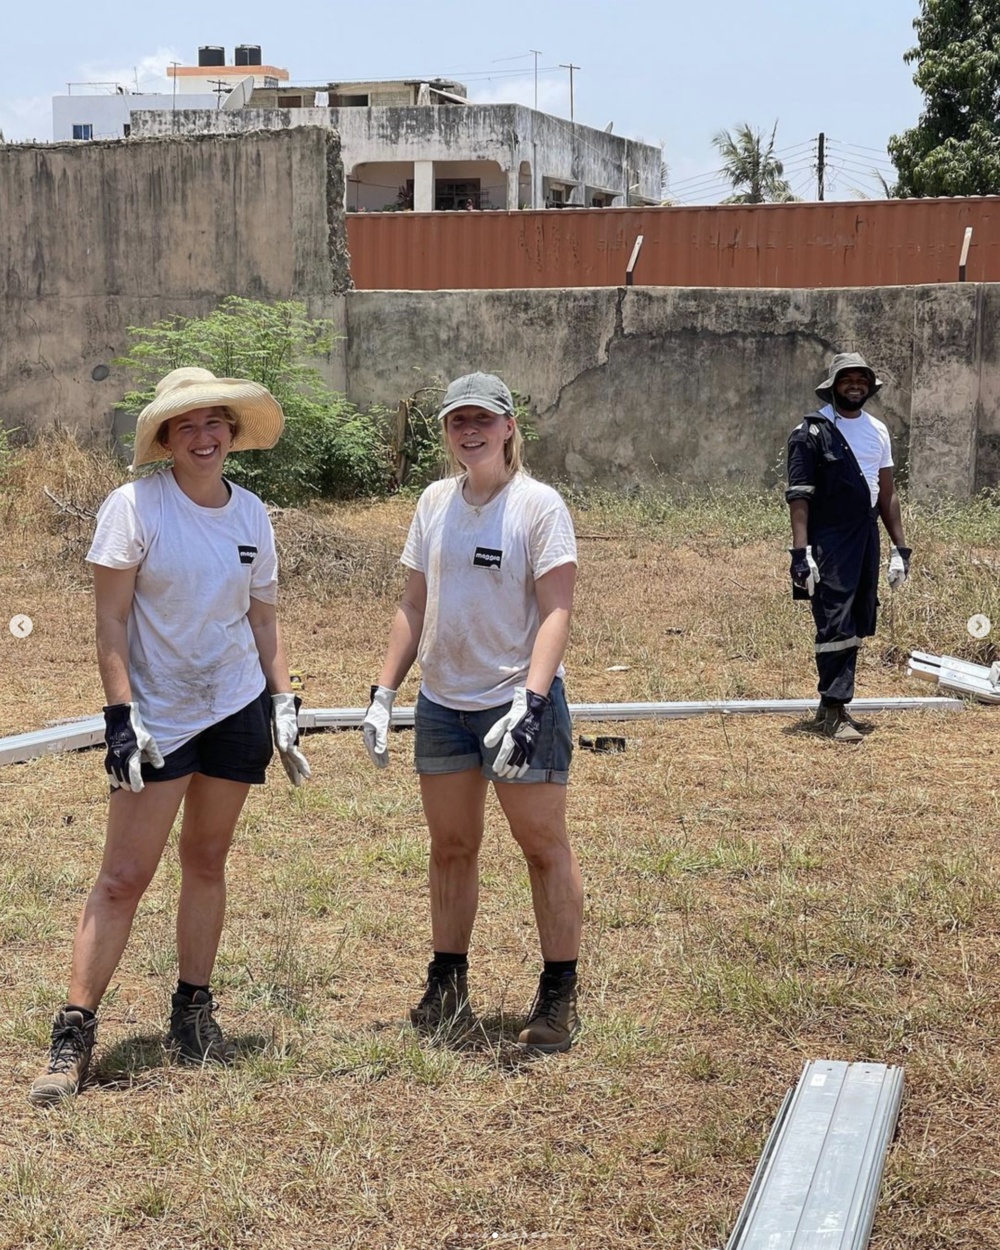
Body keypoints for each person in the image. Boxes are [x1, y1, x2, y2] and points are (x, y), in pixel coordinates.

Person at [29, 367, 310, 1106]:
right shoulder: (134, 508)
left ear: (232, 432)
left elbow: (264, 620)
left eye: (214, 422)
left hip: (234, 708)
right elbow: (112, 622)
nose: (203, 436)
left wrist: (282, 703)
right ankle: (73, 1035)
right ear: (164, 439)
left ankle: (193, 1012)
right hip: (157, 723)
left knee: (207, 860)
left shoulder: (251, 514)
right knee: (123, 877)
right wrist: (119, 716)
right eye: (185, 425)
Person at [361, 372, 582, 1052]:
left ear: (510, 426)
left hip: (517, 702)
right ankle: (448, 978)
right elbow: (413, 603)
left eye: (483, 419)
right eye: (458, 421)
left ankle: (558, 992)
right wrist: (384, 693)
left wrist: (533, 700)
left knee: (542, 847)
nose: (470, 431)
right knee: (451, 848)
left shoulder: (538, 507)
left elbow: (557, 610)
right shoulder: (434, 502)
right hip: (444, 705)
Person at [786, 352, 911, 742]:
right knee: (833, 619)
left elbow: (887, 493)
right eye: (847, 379)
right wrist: (801, 553)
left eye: (861, 379)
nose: (855, 385)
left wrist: (899, 549)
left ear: (870, 387)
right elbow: (799, 496)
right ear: (833, 385)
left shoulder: (878, 430)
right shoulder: (811, 432)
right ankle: (834, 710)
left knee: (856, 617)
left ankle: (833, 705)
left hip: (865, 536)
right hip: (829, 539)